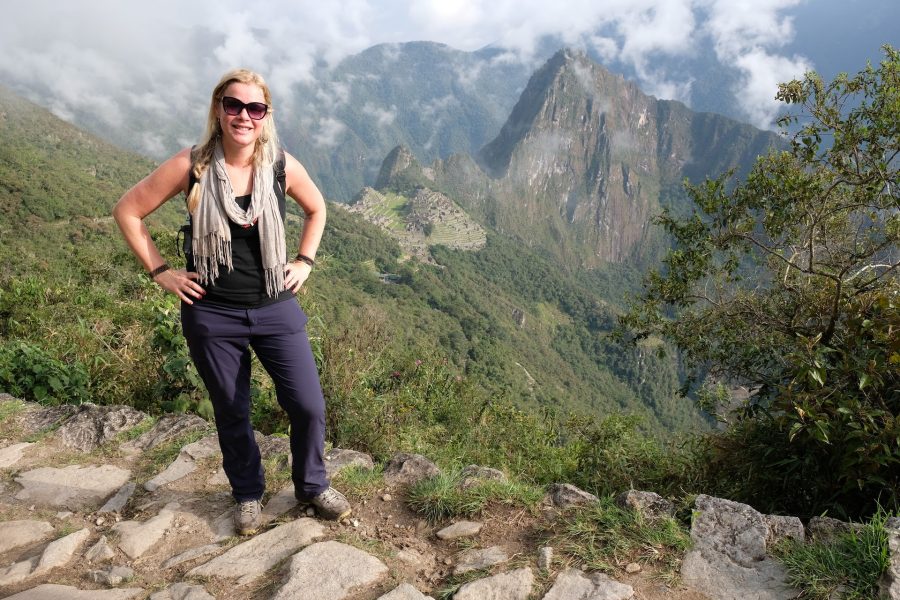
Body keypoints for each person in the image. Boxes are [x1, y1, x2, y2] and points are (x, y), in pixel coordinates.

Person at [113, 68, 350, 535]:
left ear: (266, 116)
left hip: (274, 304)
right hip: (212, 311)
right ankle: (246, 492)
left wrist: (304, 260)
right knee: (232, 408)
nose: (244, 116)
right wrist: (161, 272)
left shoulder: (280, 164)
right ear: (218, 109)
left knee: (307, 405)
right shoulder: (192, 166)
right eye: (234, 105)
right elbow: (128, 209)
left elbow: (316, 208)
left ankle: (312, 484)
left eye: (254, 108)